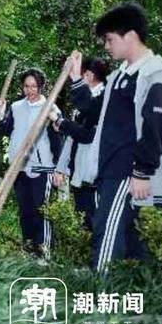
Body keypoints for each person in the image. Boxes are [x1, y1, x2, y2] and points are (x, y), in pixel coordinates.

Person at [76, 3, 162, 273]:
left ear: (130, 35)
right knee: (133, 241)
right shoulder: (120, 77)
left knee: (106, 229)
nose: (106, 47)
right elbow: (94, 112)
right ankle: (134, 299)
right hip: (111, 169)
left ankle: (100, 293)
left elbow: (157, 125)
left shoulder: (156, 74)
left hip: (127, 170)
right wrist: (76, 80)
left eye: (109, 39)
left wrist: (142, 172)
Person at [0, 68, 63, 259]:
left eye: (34, 86)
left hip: (42, 167)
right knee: (25, 210)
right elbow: (6, 130)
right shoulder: (17, 107)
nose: (30, 90)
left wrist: (59, 168)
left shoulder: (50, 108)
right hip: (19, 167)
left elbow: (58, 139)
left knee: (42, 210)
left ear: (40, 86)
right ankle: (29, 249)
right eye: (26, 86)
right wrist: (0, 113)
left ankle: (45, 252)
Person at [52, 57, 109, 232]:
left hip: (97, 178)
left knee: (98, 227)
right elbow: (72, 138)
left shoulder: (104, 99)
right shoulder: (84, 104)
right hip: (80, 176)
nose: (73, 80)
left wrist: (62, 123)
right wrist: (61, 168)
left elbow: (86, 135)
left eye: (77, 75)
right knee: (84, 226)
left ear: (89, 75)